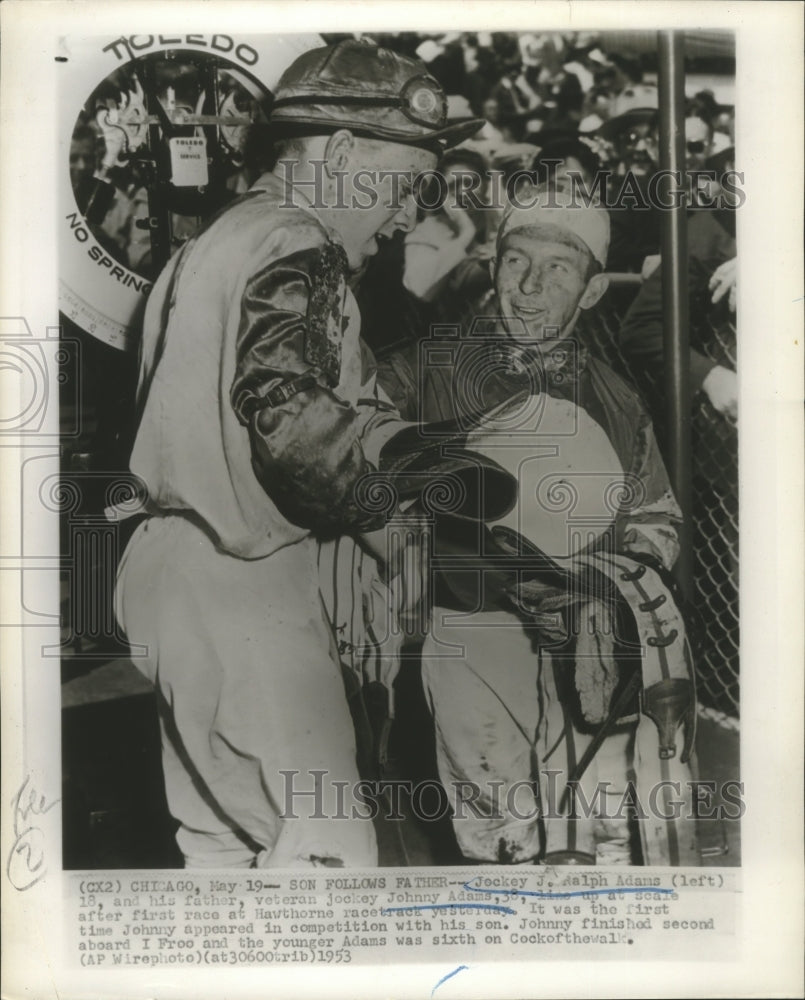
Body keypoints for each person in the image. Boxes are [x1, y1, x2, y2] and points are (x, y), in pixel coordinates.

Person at [113, 37, 485, 870]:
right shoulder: (296, 241)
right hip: (244, 588)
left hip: (170, 569)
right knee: (329, 862)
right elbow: (286, 414)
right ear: (342, 154)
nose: (403, 220)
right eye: (401, 187)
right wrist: (396, 534)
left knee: (225, 851)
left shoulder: (207, 247)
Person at [378, 189, 699, 866]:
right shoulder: (416, 370)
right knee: (498, 821)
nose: (528, 286)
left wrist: (600, 587)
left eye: (557, 269)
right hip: (470, 616)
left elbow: (656, 519)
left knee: (594, 826)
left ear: (588, 293)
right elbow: (359, 490)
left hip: (583, 626)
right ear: (491, 266)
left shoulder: (615, 397)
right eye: (515, 261)